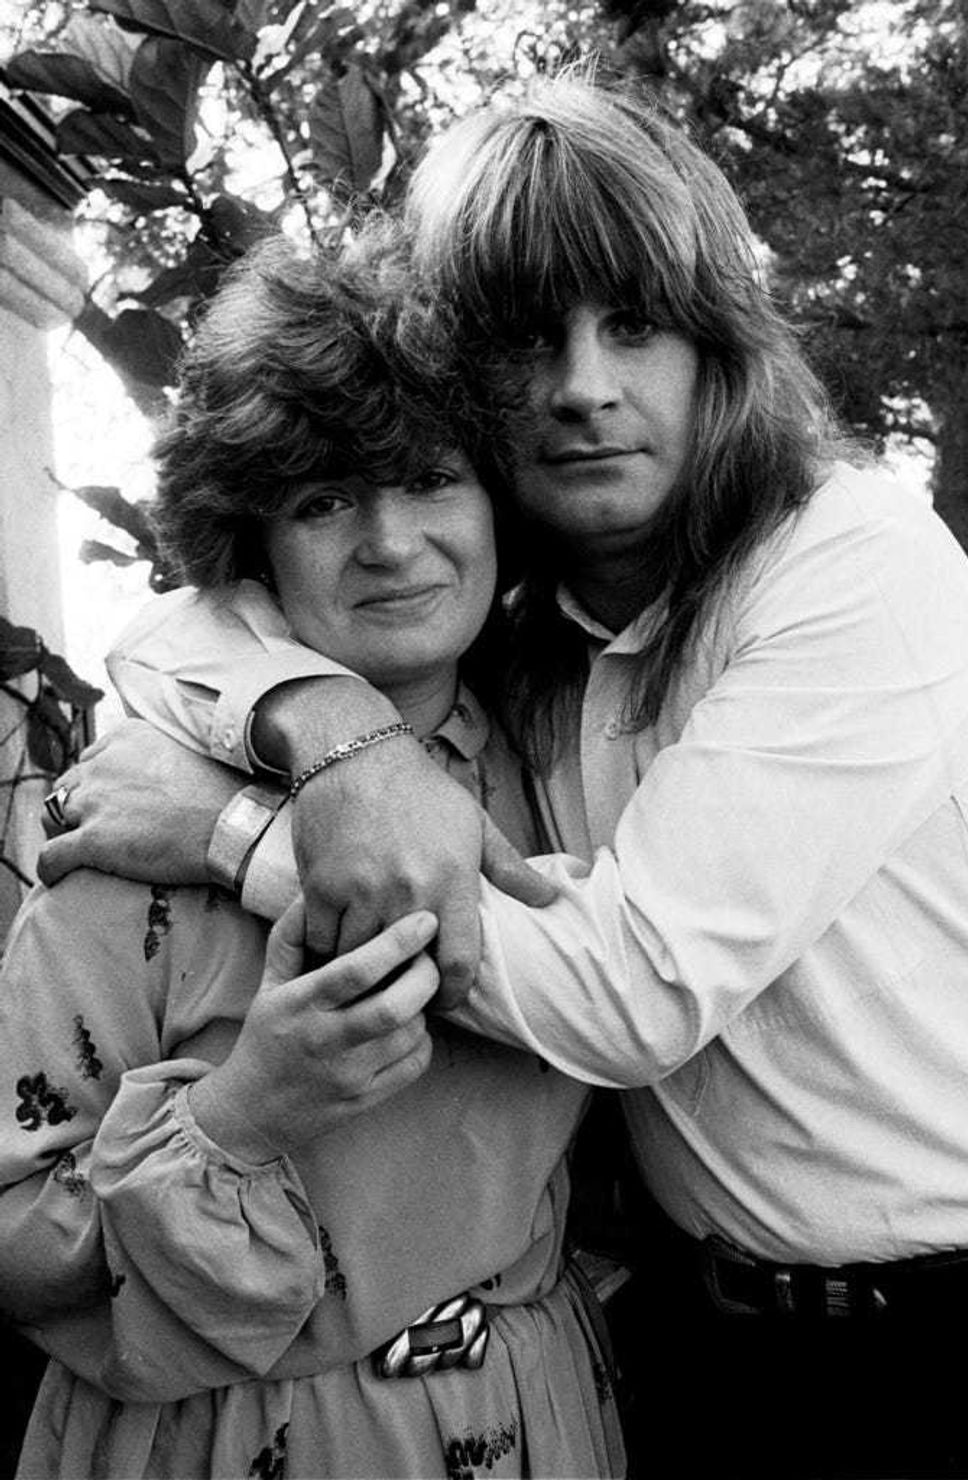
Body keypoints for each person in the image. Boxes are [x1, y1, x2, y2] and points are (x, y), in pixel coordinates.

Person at [38, 66, 968, 1479]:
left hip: (929, 1344)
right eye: (529, 340)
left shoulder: (852, 563)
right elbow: (194, 616)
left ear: (719, 350)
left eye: (638, 326)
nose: (585, 389)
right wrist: (329, 732)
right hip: (683, 1347)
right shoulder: (526, 621)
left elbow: (622, 993)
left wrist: (236, 832)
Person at [0, 233, 626, 1480]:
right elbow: (14, 1225)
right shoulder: (133, 820)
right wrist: (242, 1113)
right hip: (235, 1438)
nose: (391, 543)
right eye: (324, 499)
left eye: (434, 478)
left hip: (539, 1413)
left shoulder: (568, 745)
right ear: (250, 542)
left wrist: (239, 840)